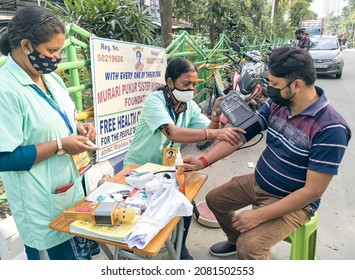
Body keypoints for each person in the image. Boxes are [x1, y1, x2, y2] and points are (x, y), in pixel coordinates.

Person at [183, 46, 351, 260]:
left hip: (295, 201)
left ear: (297, 85)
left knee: (250, 247)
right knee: (215, 200)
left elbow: (312, 192)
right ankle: (234, 240)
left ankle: (244, 247)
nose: (269, 89)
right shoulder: (278, 103)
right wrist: (202, 162)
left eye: (274, 84)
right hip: (259, 182)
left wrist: (258, 215)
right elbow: (240, 136)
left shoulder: (330, 129)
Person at [0, 6, 100, 260]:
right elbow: (4, 158)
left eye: (59, 51)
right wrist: (60, 145)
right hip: (41, 206)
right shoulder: (6, 90)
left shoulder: (50, 78)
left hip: (73, 195)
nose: (57, 58)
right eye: (51, 51)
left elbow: (60, 116)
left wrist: (79, 127)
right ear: (25, 45)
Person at [124, 57, 245, 259]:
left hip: (167, 168)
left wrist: (215, 115)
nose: (190, 89)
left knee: (186, 206)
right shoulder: (155, 101)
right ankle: (132, 251)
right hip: (140, 168)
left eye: (194, 84)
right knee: (139, 214)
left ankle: (180, 248)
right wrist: (214, 134)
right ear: (170, 82)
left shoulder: (188, 106)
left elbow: (206, 133)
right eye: (185, 84)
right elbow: (171, 133)